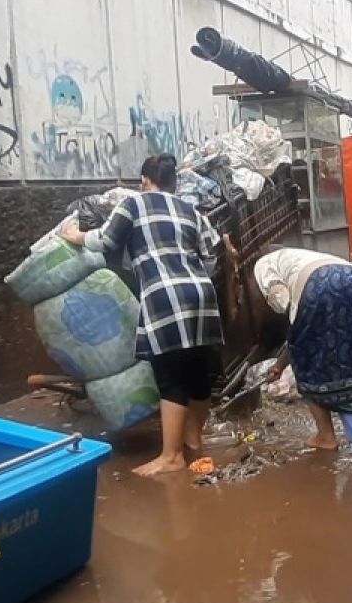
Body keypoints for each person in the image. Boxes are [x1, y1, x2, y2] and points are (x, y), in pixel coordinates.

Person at [61, 154, 235, 476]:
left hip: (164, 297)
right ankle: (194, 441)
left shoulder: (134, 204)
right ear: (174, 183)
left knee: (170, 377)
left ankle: (171, 458)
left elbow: (108, 239)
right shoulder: (192, 211)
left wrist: (77, 237)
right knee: (198, 373)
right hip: (201, 295)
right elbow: (211, 258)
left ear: (144, 180)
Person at [248, 246, 352, 460]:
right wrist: (279, 366)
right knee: (348, 364)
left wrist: (289, 354)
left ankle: (326, 437)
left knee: (309, 365)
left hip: (318, 286)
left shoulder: (262, 267)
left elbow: (288, 311)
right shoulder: (299, 256)